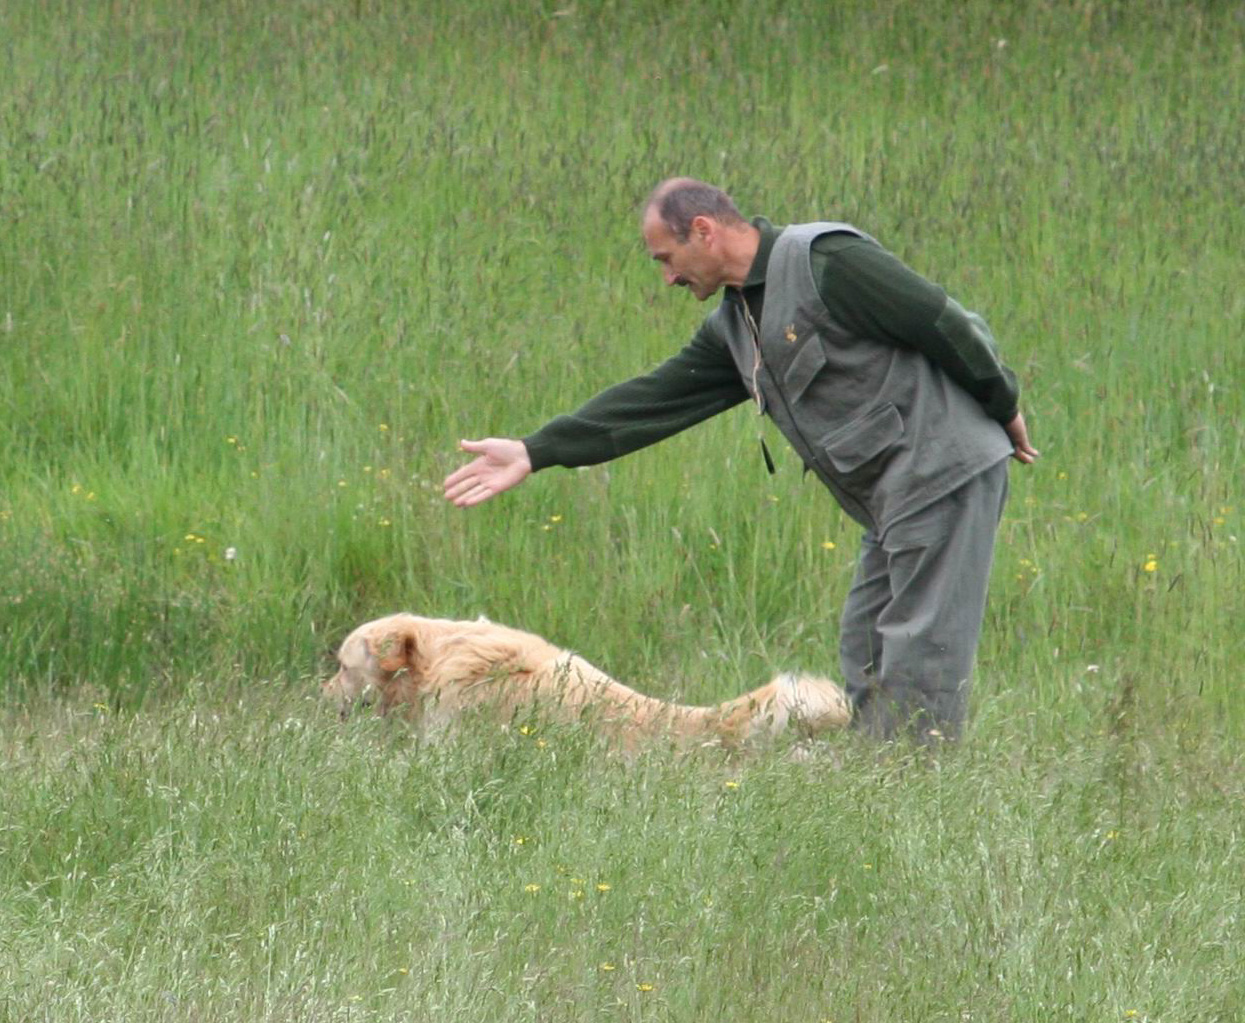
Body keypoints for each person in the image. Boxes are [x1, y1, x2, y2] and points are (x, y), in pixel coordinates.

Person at [443, 178, 1037, 743]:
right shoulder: (737, 324)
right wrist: (535, 450)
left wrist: (1002, 403)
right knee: (867, 643)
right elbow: (655, 399)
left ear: (703, 230)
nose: (668, 277)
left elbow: (941, 319)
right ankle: (876, 784)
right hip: (893, 497)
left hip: (944, 469)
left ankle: (913, 792)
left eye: (666, 258)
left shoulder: (825, 261)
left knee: (918, 651)